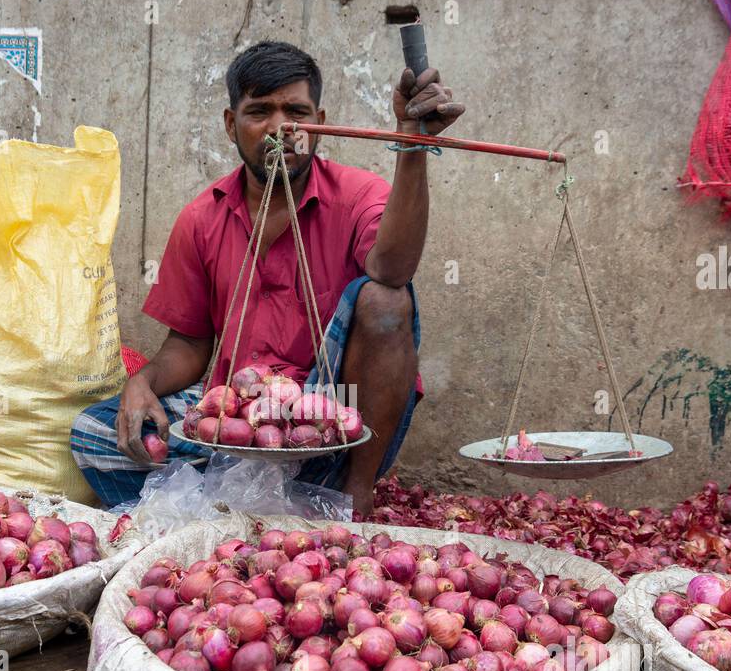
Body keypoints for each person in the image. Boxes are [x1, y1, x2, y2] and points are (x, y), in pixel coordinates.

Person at [71, 39, 464, 516]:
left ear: (319, 122)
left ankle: (352, 496)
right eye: (260, 111)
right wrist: (143, 384)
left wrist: (413, 146)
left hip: (327, 415)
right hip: (238, 413)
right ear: (231, 124)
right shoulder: (201, 218)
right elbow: (189, 346)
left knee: (383, 299)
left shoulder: (360, 195)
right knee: (93, 434)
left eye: (295, 112)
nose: (281, 128)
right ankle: (244, 499)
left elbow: (393, 269)